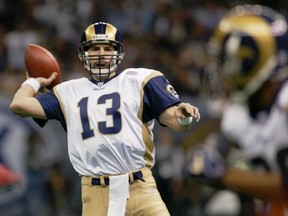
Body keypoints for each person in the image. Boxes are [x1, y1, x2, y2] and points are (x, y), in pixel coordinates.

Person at [9, 22, 201, 216]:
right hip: (95, 192)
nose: (101, 54)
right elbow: (19, 105)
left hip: (140, 187)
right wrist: (34, 81)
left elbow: (176, 122)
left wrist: (182, 115)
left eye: (107, 48)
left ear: (118, 53)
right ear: (84, 54)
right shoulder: (67, 91)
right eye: (94, 49)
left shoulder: (139, 80)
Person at [184, 4, 288, 216]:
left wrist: (224, 175)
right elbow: (213, 150)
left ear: (254, 60)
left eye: (229, 62)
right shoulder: (239, 113)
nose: (223, 72)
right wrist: (205, 153)